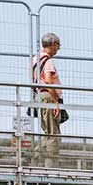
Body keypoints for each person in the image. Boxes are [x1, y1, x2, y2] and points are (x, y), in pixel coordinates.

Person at [32, 32, 63, 163]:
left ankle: (33, 158)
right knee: (53, 135)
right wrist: (56, 101)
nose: (58, 48)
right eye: (57, 45)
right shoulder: (48, 61)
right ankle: (51, 166)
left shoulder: (35, 59)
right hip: (49, 96)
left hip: (39, 96)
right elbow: (49, 81)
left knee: (47, 132)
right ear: (52, 45)